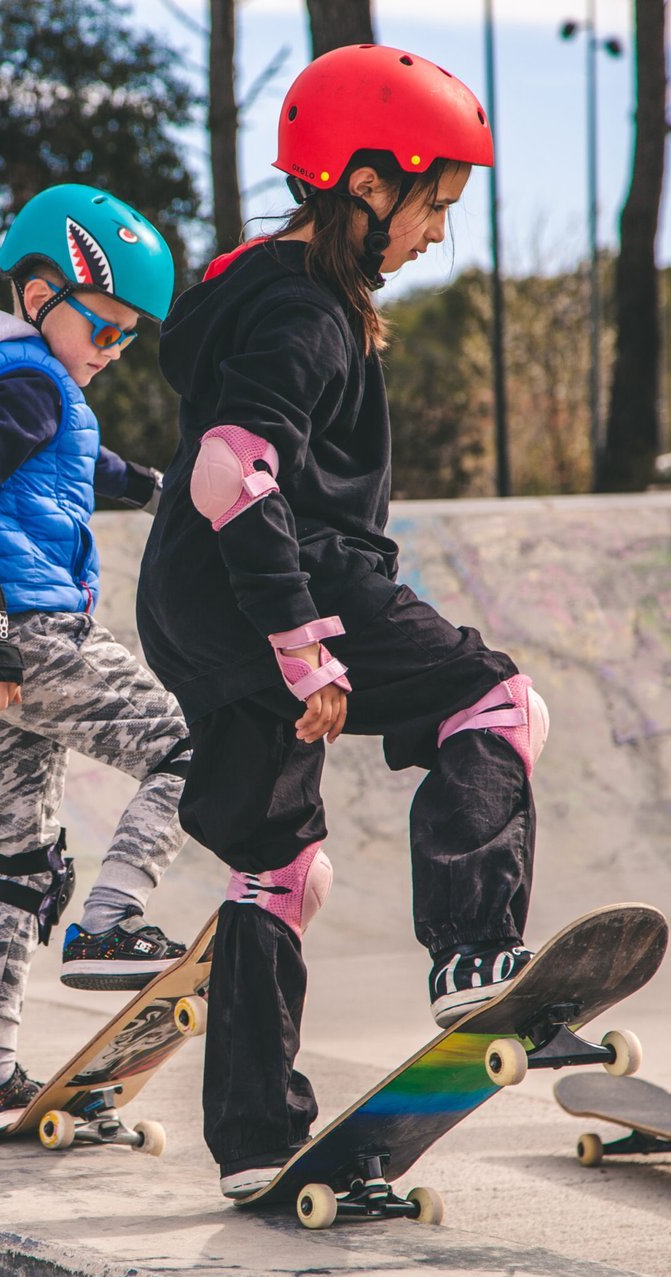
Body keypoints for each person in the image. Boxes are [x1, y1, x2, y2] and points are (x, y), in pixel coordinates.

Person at [135, 45, 549, 1198]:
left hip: (187, 603)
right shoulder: (309, 307)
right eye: (434, 206)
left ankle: (256, 1139)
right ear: (369, 183)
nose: (433, 236)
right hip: (290, 580)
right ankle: (471, 946)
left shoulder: (253, 287)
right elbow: (233, 469)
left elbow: (209, 473)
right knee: (498, 700)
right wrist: (301, 639)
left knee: (278, 867)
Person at [0, 184, 192, 1142]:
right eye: (100, 326)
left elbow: (77, 465)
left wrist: (163, 492)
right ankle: (110, 924)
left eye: (124, 338)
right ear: (38, 295)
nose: (110, 352)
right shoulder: (27, 381)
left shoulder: (11, 386)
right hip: (17, 625)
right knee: (192, 748)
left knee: (28, 868)